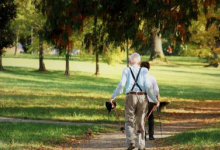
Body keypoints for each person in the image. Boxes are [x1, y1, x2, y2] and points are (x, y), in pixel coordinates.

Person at [110, 53, 159, 150]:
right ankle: (141, 145)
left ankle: (131, 142)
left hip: (130, 97)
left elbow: (122, 84)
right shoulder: (144, 71)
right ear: (139, 62)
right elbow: (149, 87)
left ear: (130, 61)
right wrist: (155, 100)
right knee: (140, 121)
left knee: (129, 121)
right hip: (142, 97)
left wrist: (113, 96)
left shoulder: (126, 70)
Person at [141, 62, 159, 141]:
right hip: (151, 100)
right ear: (149, 68)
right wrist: (156, 98)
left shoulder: (139, 78)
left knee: (142, 117)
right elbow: (156, 90)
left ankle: (143, 135)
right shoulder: (152, 78)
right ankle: (151, 135)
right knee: (150, 117)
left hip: (141, 99)